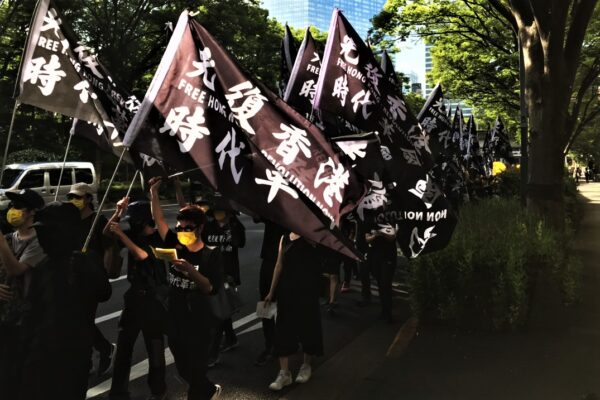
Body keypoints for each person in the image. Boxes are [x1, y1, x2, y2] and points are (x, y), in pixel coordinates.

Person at [20, 201, 111, 399]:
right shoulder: (43, 265)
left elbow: (104, 293)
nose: (43, 239)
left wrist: (88, 269)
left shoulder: (83, 262)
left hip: (72, 353)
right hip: (40, 354)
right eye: (40, 233)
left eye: (48, 232)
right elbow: (30, 309)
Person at [149, 177, 223, 400]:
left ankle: (202, 392)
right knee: (182, 368)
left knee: (197, 369)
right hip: (175, 317)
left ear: (200, 228)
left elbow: (210, 288)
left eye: (187, 228)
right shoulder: (176, 245)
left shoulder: (211, 253)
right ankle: (209, 389)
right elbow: (159, 219)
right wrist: (154, 192)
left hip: (199, 321)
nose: (182, 231)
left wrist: (190, 270)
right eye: (179, 227)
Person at [105, 198, 168, 400]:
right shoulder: (134, 233)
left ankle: (158, 391)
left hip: (154, 299)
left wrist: (122, 234)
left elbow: (142, 255)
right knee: (123, 348)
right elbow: (107, 233)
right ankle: (118, 392)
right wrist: (118, 212)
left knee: (155, 348)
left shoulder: (159, 237)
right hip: (134, 298)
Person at [66, 182, 119, 375]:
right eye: (71, 197)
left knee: (84, 320)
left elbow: (108, 248)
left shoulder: (98, 221)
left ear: (88, 198)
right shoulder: (69, 221)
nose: (74, 201)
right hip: (72, 277)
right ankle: (101, 349)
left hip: (91, 277)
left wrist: (104, 274)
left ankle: (91, 358)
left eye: (78, 197)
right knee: (76, 319)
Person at [0, 189, 46, 398]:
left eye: (18, 207)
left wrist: (1, 244)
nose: (12, 211)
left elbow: (16, 270)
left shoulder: (40, 242)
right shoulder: (10, 238)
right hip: (5, 314)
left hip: (27, 318)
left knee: (19, 373)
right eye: (12, 206)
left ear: (32, 212)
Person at [264, 232, 323, 391]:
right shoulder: (284, 237)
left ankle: (306, 365)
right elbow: (279, 264)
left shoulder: (312, 236)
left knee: (307, 326)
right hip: (286, 290)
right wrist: (271, 291)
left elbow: (318, 258)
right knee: (283, 329)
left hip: (307, 291)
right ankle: (284, 373)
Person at [205, 199, 246, 367]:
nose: (217, 215)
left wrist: (232, 222)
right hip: (211, 273)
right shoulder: (209, 227)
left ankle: (212, 353)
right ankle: (230, 338)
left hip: (228, 274)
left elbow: (240, 243)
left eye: (220, 212)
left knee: (218, 313)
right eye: (215, 212)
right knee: (221, 310)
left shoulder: (235, 227)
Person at [255, 220, 287, 366]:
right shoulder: (270, 203)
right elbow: (256, 214)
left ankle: (289, 340)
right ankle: (270, 345)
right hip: (268, 259)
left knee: (287, 305)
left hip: (288, 260)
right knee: (265, 304)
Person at [365, 224, 398, 323]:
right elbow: (367, 239)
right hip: (375, 256)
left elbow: (392, 237)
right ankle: (384, 311)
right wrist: (376, 235)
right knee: (380, 284)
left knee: (386, 284)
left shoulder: (392, 219)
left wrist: (380, 233)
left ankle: (389, 314)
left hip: (389, 256)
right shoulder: (371, 219)